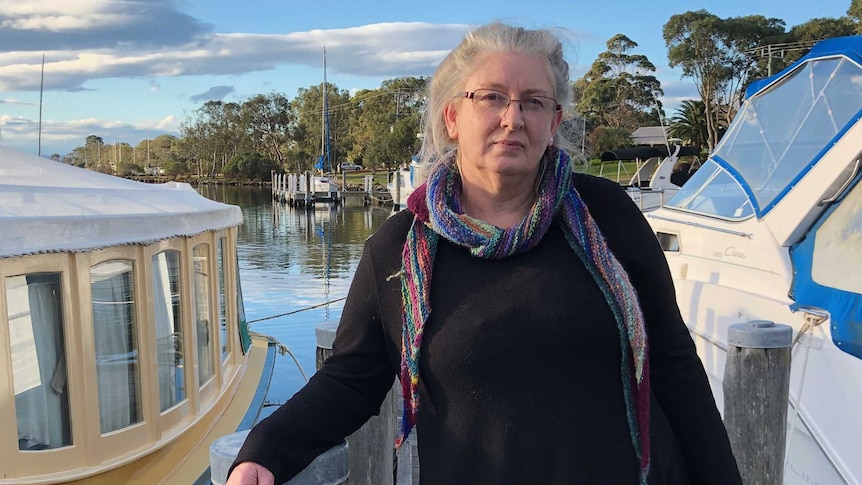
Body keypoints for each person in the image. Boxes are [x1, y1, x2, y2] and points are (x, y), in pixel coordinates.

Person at [227, 22, 742, 485]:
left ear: (554, 118)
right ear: (453, 115)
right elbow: (350, 380)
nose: (513, 118)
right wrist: (265, 451)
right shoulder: (398, 251)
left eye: (533, 101)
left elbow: (673, 362)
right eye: (492, 97)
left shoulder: (606, 215)